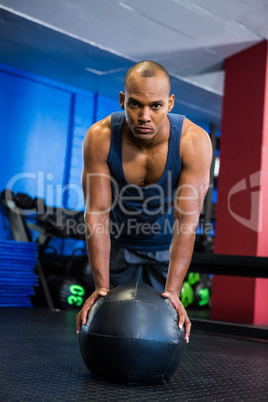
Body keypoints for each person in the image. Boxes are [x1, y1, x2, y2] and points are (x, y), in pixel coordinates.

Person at [76, 61, 212, 343]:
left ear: (170, 103)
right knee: (107, 331)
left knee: (161, 335)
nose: (144, 116)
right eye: (135, 104)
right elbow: (97, 214)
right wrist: (100, 287)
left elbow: (186, 220)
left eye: (156, 106)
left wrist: (174, 291)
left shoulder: (193, 141)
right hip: (118, 247)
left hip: (165, 250)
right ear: (122, 100)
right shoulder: (99, 137)